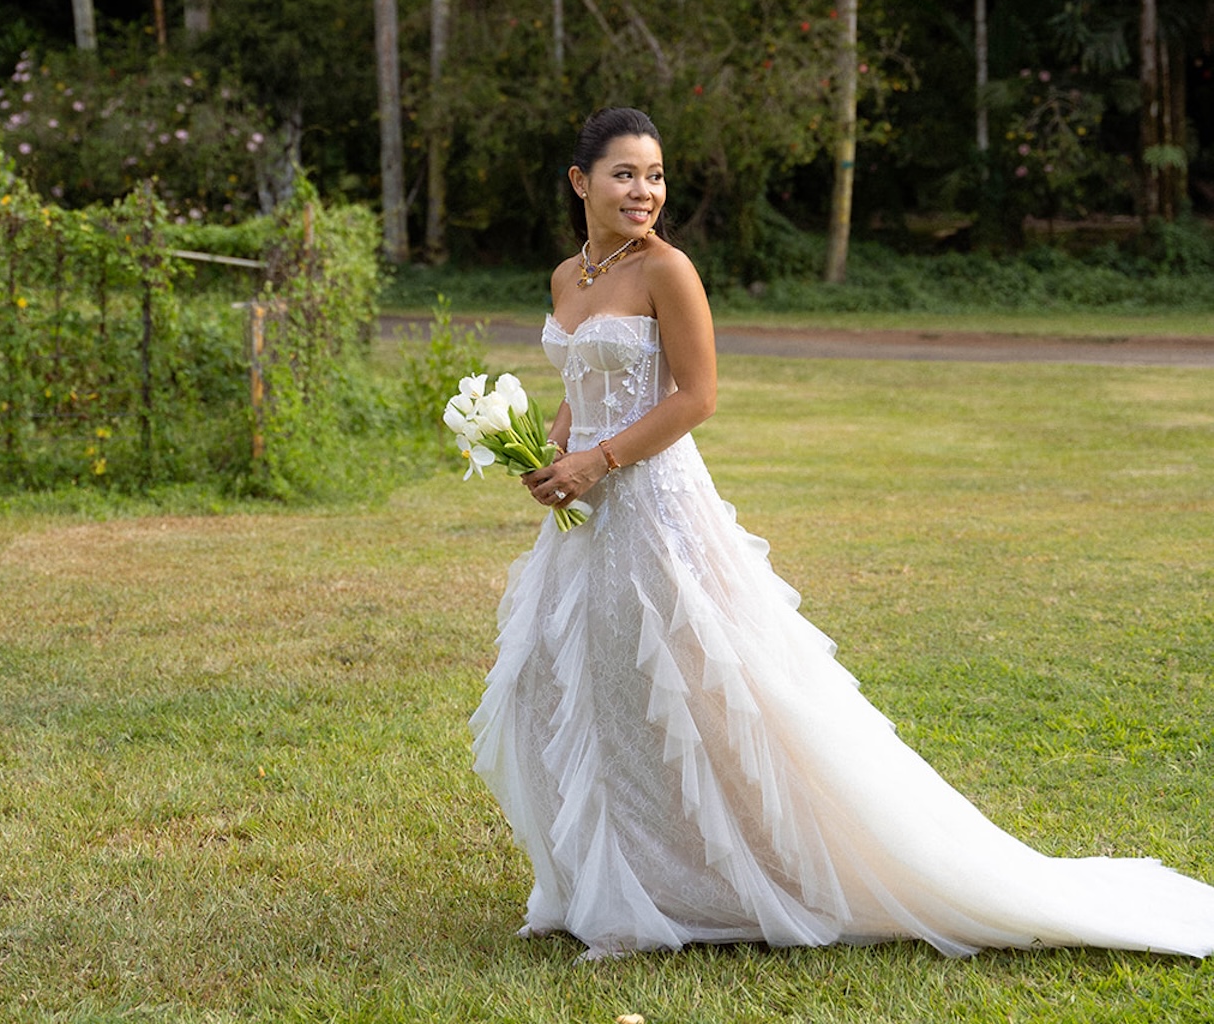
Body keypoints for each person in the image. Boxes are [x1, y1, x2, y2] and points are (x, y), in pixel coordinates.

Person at [470, 106, 1214, 962]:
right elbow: (580, 379)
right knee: (582, 687)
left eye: (656, 176)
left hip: (655, 506)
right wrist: (554, 445)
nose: (645, 192)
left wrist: (599, 461)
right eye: (625, 175)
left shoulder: (669, 270)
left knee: (698, 689)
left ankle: (723, 876)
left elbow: (695, 397)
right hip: (586, 519)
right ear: (580, 182)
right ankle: (611, 874)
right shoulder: (568, 276)